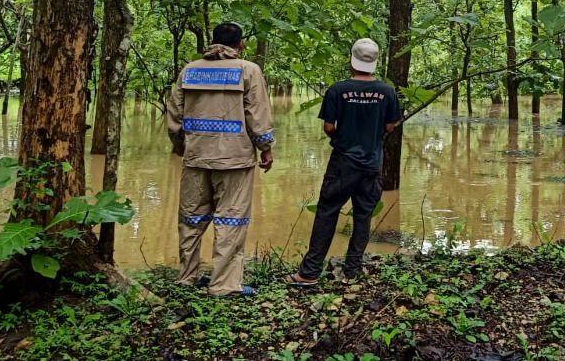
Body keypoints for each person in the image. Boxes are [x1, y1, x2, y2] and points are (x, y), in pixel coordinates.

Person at [167, 22, 274, 297]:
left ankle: (188, 276)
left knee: (191, 218)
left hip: (196, 155)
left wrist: (180, 144)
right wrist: (265, 147)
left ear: (212, 42)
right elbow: (257, 114)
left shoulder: (190, 70)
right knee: (231, 220)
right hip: (234, 160)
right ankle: (224, 285)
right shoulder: (248, 70)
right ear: (241, 45)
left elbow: (175, 115)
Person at [284, 38, 401, 286]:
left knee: (327, 212)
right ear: (375, 63)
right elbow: (391, 126)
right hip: (372, 163)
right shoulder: (387, 91)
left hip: (343, 163)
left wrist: (344, 135)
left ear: (352, 60)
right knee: (363, 216)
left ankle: (310, 272)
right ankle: (352, 272)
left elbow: (329, 127)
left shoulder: (337, 90)